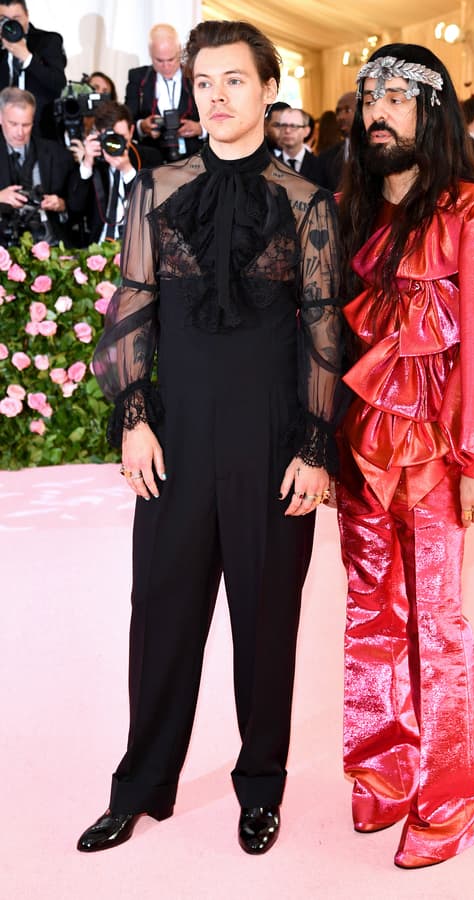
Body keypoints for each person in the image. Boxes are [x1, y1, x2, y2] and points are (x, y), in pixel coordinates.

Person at [77, 19, 343, 856]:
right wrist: (134, 416)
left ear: (269, 90)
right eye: (204, 83)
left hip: (272, 445)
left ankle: (260, 785)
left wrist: (313, 445)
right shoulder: (155, 191)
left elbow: (322, 330)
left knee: (267, 626)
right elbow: (132, 310)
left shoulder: (307, 203)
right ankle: (140, 784)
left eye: (235, 80)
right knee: (158, 614)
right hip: (178, 440)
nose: (218, 97)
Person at [335, 44, 474, 869]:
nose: (379, 112)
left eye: (397, 95)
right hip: (362, 454)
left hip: (437, 459)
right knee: (368, 614)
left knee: (439, 627)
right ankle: (382, 770)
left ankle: (452, 796)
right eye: (369, 97)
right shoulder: (355, 209)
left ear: (433, 109)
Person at [68, 100, 162, 245]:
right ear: (98, 134)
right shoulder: (94, 160)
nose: (115, 144)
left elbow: (153, 208)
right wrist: (87, 164)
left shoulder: (150, 157)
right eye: (110, 138)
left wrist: (127, 171)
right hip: (97, 246)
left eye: (120, 137)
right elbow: (75, 209)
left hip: (139, 245)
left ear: (131, 131)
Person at [0, 86, 75, 245]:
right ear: (0, 118)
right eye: (13, 124)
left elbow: (77, 204)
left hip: (48, 241)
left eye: (26, 125)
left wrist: (61, 204)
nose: (20, 132)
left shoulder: (56, 153)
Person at [124, 23, 204, 162]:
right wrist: (142, 126)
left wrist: (200, 129)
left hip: (194, 158)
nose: (166, 66)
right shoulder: (138, 78)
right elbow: (127, 121)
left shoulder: (198, 75)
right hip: (152, 159)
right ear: (150, 54)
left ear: (180, 51)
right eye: (159, 60)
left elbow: (217, 114)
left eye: (172, 59)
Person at [0, 0, 66, 139]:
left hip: (40, 130)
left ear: (27, 16)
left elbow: (58, 83)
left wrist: (27, 57)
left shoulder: (48, 41)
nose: (10, 25)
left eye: (16, 19)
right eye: (3, 19)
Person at [277, 106, 325, 184]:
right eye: (283, 126)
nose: (287, 130)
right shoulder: (271, 166)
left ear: (306, 131)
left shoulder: (320, 165)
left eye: (293, 126)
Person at [319, 91, 356, 191]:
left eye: (347, 110)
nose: (341, 117)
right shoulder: (326, 157)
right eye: (338, 112)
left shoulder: (376, 153)